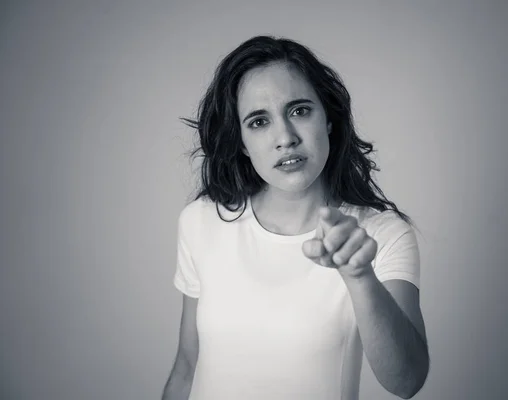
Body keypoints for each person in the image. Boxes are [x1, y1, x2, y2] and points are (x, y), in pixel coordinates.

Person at [162, 35, 430, 400]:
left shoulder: (382, 234)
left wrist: (359, 275)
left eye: (300, 110)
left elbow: (407, 381)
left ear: (329, 119)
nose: (285, 137)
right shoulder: (201, 221)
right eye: (259, 122)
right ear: (240, 141)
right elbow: (186, 367)